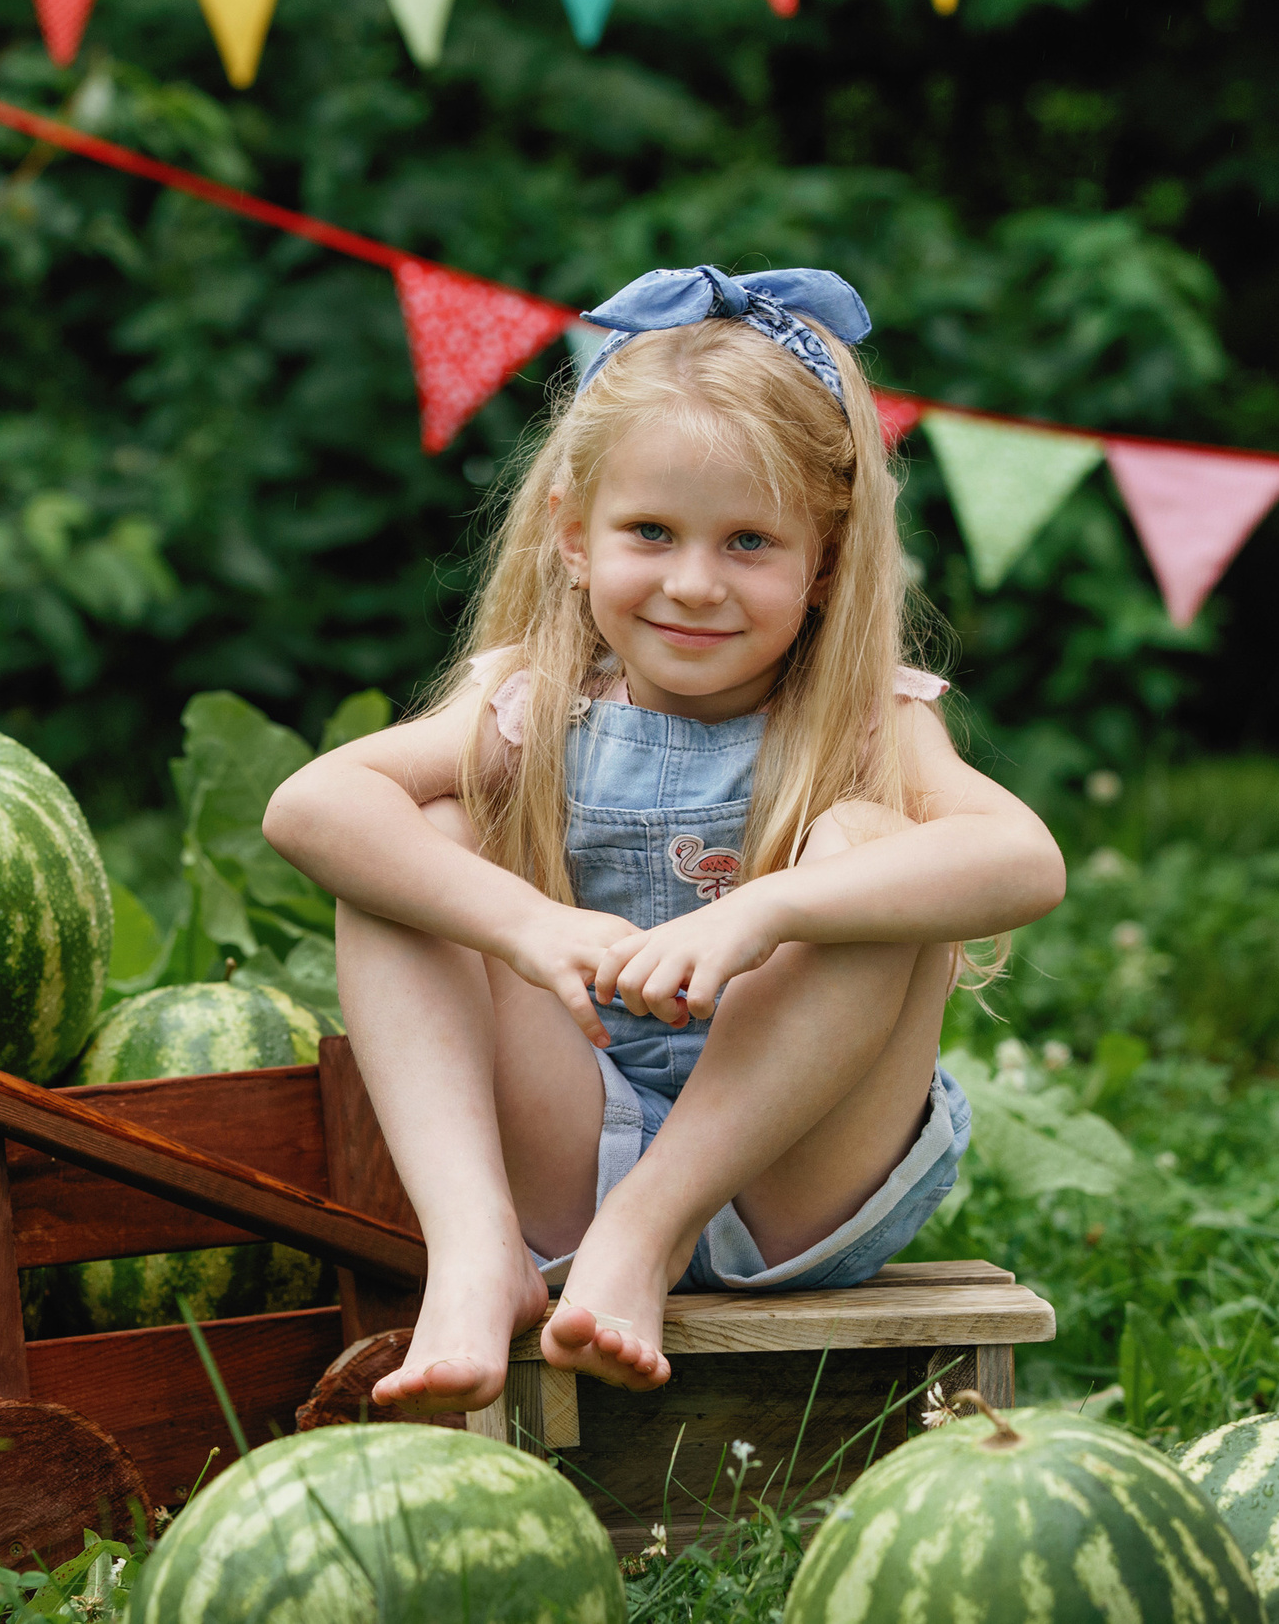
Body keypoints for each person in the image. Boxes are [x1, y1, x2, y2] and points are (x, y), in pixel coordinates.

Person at [259, 266, 1067, 1412]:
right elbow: (307, 809)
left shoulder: (864, 718)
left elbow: (1026, 863)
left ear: (824, 564)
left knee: (871, 849)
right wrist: (528, 925)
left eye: (749, 542)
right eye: (651, 531)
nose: (694, 585)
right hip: (571, 1145)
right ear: (572, 536)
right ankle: (477, 1249)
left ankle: (642, 1236)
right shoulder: (531, 705)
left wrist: (770, 906)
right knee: (409, 839)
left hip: (794, 1181)